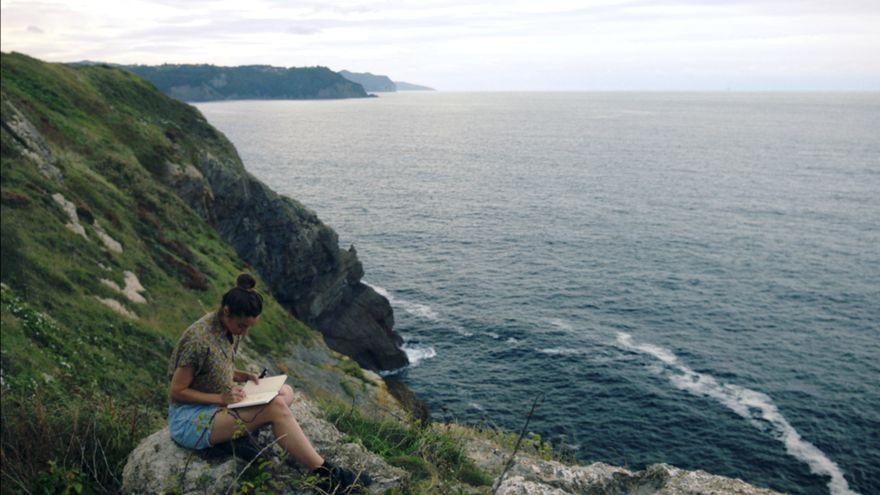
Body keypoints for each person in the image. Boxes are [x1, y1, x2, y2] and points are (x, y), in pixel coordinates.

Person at [167, 274, 370, 492]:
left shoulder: (228, 327)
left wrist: (241, 375)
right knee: (276, 407)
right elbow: (177, 392)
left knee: (285, 391)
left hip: (218, 407)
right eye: (242, 325)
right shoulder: (199, 340)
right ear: (226, 311)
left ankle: (233, 438)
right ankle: (326, 475)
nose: (244, 332)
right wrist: (221, 398)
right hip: (190, 419)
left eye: (249, 327)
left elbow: (210, 369)